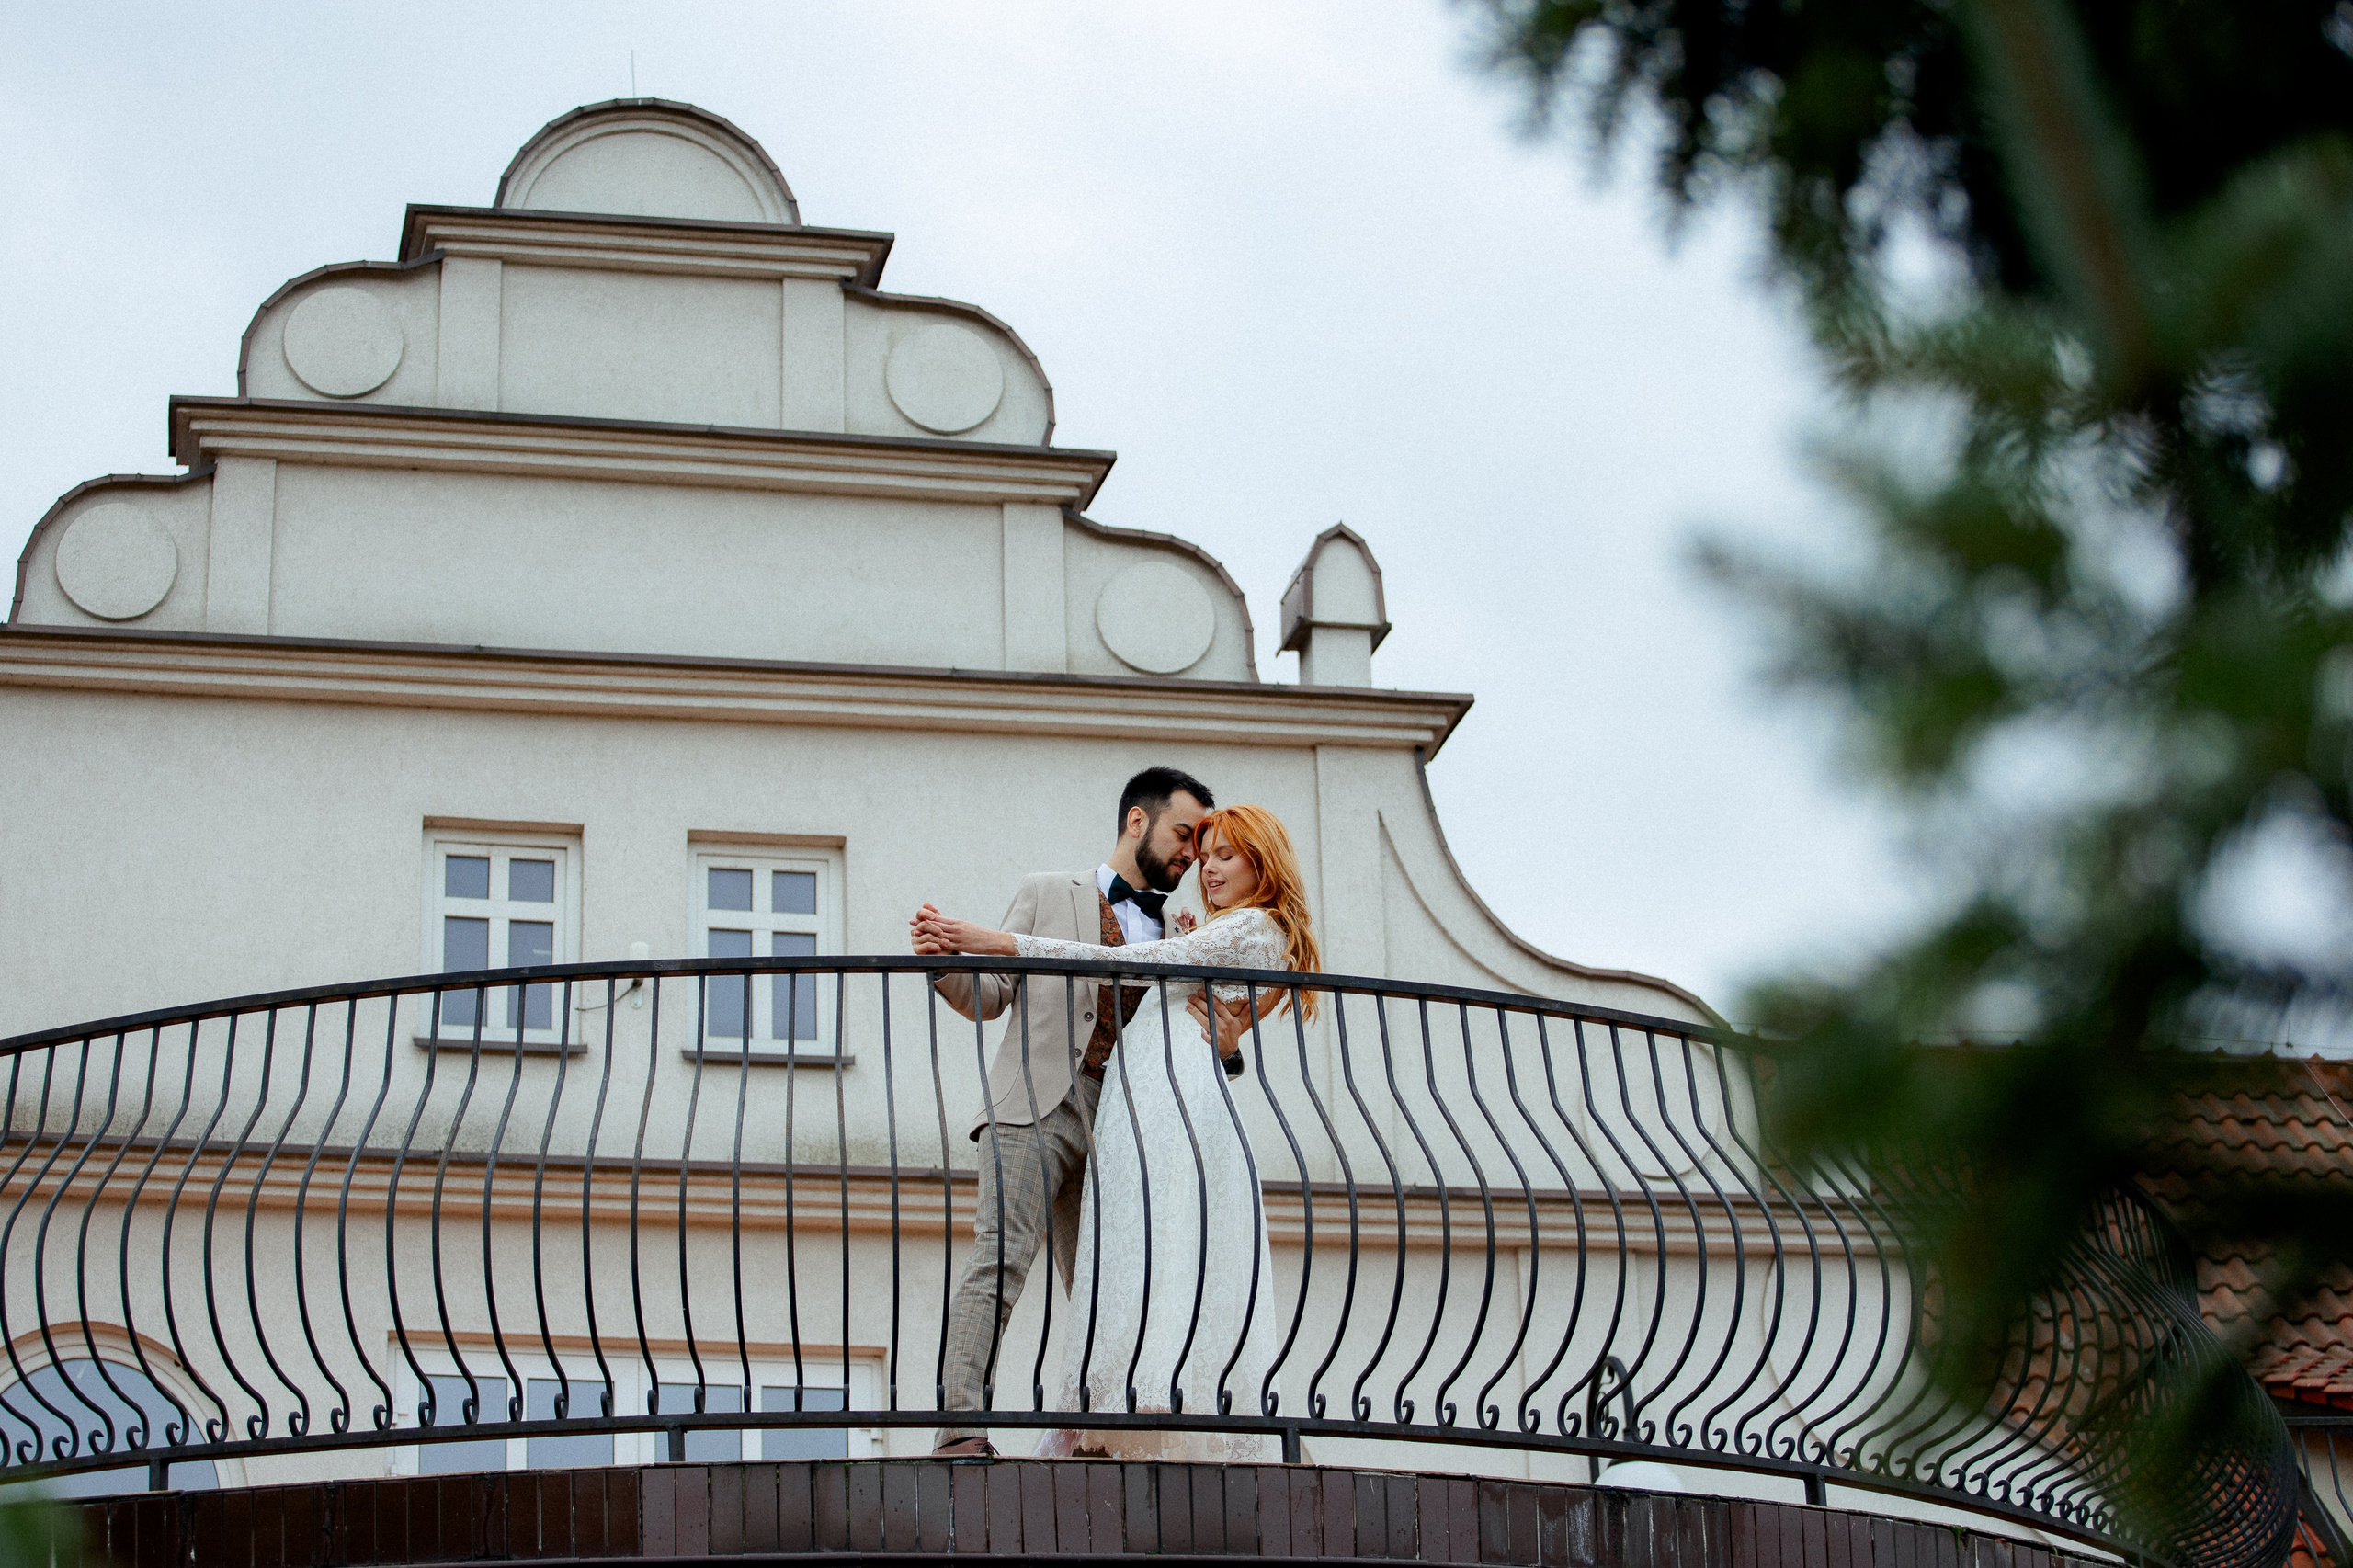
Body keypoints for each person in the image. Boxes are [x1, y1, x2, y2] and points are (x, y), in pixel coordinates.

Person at [914, 802, 1320, 1462]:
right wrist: (947, 960)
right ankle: (962, 1427)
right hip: (1039, 1104)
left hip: (1125, 1120)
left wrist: (1231, 1043)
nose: (1199, 862)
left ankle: (1114, 1433)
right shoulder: (1051, 891)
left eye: (1219, 853)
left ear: (1259, 862)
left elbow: (1175, 988)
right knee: (1003, 1260)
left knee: (1114, 1280)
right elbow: (988, 995)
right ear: (1140, 821)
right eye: (1190, 840)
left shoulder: (1207, 927)